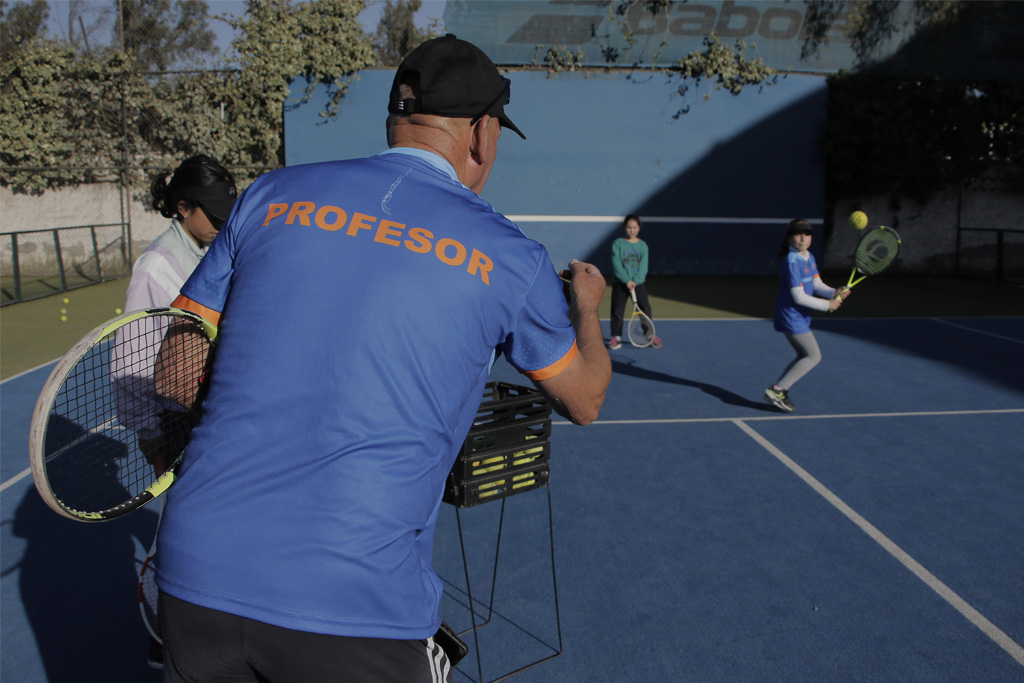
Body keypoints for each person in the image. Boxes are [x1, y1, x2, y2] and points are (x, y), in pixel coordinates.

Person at [154, 34, 611, 683]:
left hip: (195, 572)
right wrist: (588, 305)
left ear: (394, 117)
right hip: (353, 601)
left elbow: (174, 376)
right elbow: (586, 398)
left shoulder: (268, 195)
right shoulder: (511, 256)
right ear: (482, 133)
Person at [119, 154, 237, 669]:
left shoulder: (209, 249)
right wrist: (149, 433)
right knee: (185, 535)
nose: (220, 222)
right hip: (175, 421)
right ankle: (164, 632)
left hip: (213, 413)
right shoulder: (157, 266)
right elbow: (133, 357)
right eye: (211, 213)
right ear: (183, 208)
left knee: (215, 530)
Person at [764, 218, 848, 412]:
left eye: (807, 233)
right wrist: (828, 305)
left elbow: (817, 284)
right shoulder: (792, 261)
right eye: (798, 233)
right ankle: (777, 389)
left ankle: (780, 390)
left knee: (803, 354)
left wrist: (834, 292)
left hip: (798, 316)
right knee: (813, 356)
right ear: (789, 239)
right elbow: (798, 295)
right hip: (791, 316)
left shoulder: (808, 257)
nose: (803, 237)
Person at [607, 214, 661, 349]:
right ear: (625, 228)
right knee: (617, 310)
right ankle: (616, 337)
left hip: (638, 283)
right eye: (629, 227)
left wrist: (635, 281)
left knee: (645, 309)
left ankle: (649, 335)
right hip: (620, 283)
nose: (632, 230)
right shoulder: (618, 243)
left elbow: (644, 267)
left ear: (639, 228)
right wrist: (626, 280)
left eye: (635, 228)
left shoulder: (643, 246)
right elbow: (616, 264)